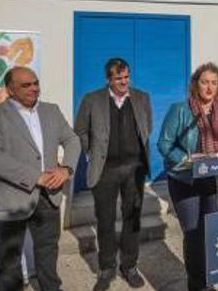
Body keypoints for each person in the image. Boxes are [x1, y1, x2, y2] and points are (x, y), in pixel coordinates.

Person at [0, 67, 80, 291]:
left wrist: (66, 169)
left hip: (49, 195)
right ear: (10, 89)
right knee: (9, 258)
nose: (34, 88)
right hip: (10, 198)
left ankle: (51, 287)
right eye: (26, 85)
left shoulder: (51, 111)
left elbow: (72, 139)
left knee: (48, 250)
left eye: (35, 83)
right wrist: (36, 177)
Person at [158, 63, 218, 291]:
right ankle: (198, 285)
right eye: (205, 82)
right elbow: (164, 144)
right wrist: (187, 159)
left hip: (214, 180)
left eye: (214, 83)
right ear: (196, 84)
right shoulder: (180, 110)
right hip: (186, 180)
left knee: (211, 234)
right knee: (194, 235)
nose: (209, 87)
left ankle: (210, 279)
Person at [74, 58, 152, 290]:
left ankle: (129, 266)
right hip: (105, 170)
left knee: (132, 219)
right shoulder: (92, 99)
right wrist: (92, 153)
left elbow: (147, 126)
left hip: (133, 169)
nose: (124, 82)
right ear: (109, 79)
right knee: (105, 220)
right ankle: (107, 268)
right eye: (118, 78)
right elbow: (80, 130)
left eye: (126, 77)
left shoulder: (141, 97)